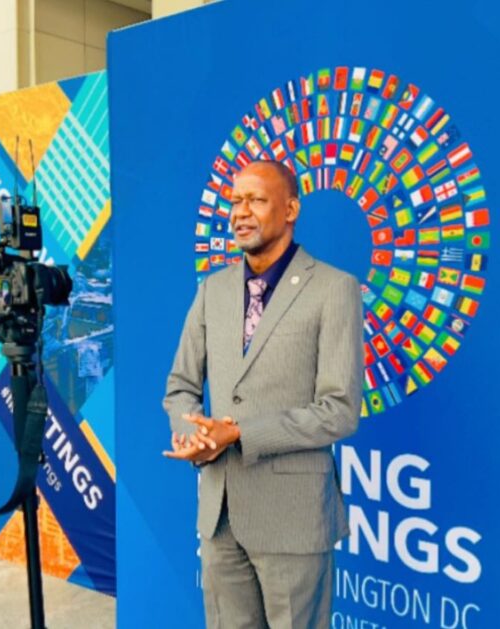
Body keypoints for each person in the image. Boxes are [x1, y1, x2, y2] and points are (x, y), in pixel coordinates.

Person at [163, 159, 364, 628]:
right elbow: (180, 387)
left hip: (292, 518)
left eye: (255, 199)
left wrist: (238, 433)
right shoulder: (213, 290)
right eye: (235, 200)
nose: (240, 211)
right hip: (220, 515)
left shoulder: (334, 288)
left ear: (291, 208)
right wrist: (194, 434)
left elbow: (339, 411)